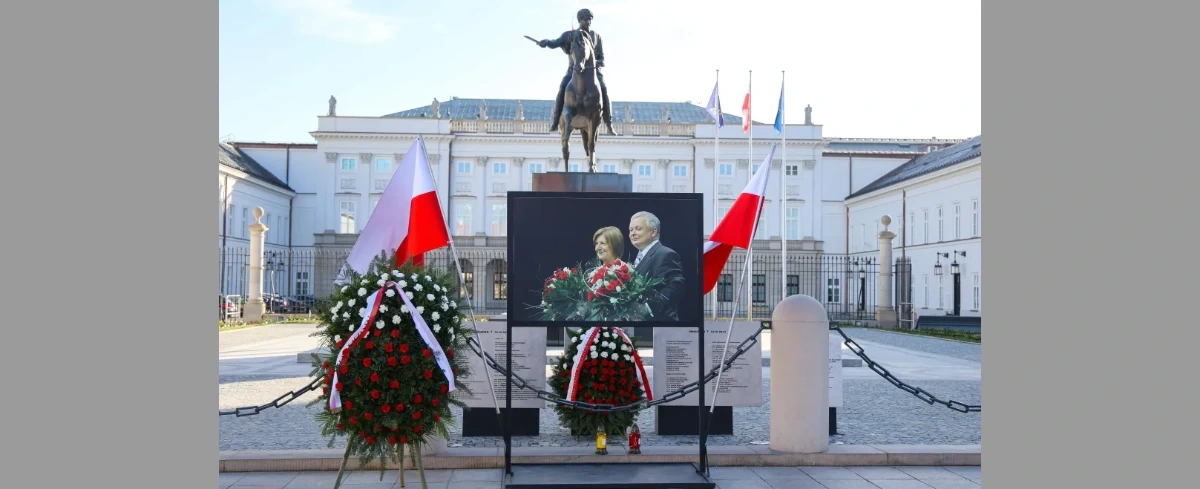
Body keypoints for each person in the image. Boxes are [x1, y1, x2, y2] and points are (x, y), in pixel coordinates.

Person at [537, 8, 616, 136]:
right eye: (585, 19)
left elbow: (602, 58)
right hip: (573, 71)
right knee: (562, 87)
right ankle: (556, 120)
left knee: (604, 88)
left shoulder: (596, 37)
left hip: (592, 73)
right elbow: (555, 43)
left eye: (590, 19)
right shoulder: (569, 35)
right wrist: (546, 42)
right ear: (580, 20)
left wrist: (595, 63)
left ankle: (608, 122)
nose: (588, 22)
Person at [628, 211, 684, 321]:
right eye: (630, 230)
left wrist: (647, 308)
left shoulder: (665, 254)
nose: (632, 233)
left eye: (638, 229)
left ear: (653, 232)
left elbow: (676, 286)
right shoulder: (639, 256)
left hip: (661, 324)